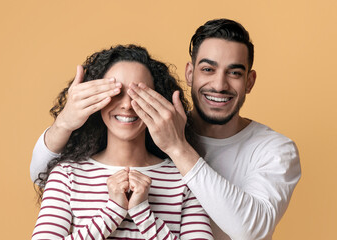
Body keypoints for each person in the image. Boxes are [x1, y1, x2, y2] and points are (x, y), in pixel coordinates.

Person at [31, 19, 301, 240]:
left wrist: (144, 208)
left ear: (250, 81)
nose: (219, 85)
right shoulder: (67, 173)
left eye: (234, 73)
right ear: (190, 73)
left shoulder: (272, 150)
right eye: (208, 68)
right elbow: (42, 172)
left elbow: (248, 231)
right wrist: (65, 122)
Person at [31, 45, 213, 240]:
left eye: (139, 94)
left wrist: (143, 214)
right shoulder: (66, 175)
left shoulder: (185, 179)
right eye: (116, 93)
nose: (126, 105)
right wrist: (112, 213)